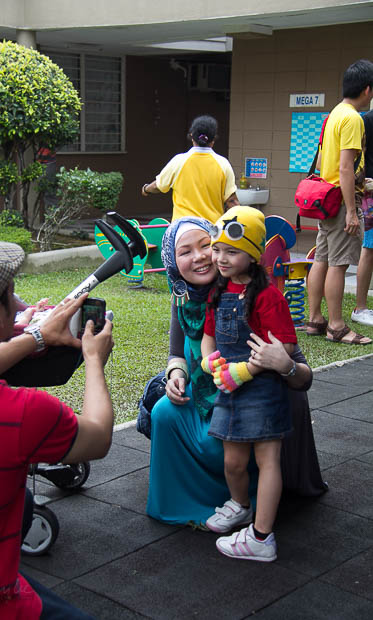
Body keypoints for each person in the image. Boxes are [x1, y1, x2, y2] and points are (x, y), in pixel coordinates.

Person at [0, 240, 114, 619]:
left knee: (26, 505)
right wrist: (94, 359)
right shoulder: (20, 412)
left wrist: (37, 334)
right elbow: (97, 436)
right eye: (12, 297)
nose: (19, 305)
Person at [146, 215, 326, 529]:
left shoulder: (253, 294)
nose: (200, 257)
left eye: (206, 245)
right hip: (209, 389)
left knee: (233, 441)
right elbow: (177, 353)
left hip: (253, 393)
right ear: (173, 263)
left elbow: (302, 375)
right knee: (163, 412)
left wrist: (282, 365)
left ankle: (249, 505)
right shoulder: (182, 298)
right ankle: (182, 501)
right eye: (185, 252)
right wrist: (176, 375)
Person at [200, 207, 296, 562]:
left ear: (253, 255)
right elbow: (208, 338)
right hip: (230, 387)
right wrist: (209, 360)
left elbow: (285, 347)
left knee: (267, 460)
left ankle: (261, 537)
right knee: (233, 462)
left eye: (232, 251)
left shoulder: (268, 296)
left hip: (263, 389)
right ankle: (241, 505)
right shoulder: (218, 291)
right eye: (217, 249)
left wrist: (247, 370)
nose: (221, 258)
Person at [305, 59, 373, 344]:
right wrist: (352, 212)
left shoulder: (334, 113)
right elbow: (346, 168)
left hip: (326, 198)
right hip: (341, 200)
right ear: (367, 89)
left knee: (321, 259)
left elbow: (325, 162)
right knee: (339, 264)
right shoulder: (353, 118)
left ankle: (315, 319)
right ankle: (336, 326)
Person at [141, 114, 238, 222]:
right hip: (212, 227)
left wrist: (146, 189)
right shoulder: (223, 164)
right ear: (213, 139)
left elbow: (157, 186)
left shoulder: (179, 161)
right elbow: (231, 200)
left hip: (183, 225)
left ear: (192, 136)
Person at [351, 108, 373, 325]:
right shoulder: (365, 120)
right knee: (370, 247)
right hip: (371, 192)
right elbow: (355, 158)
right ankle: (360, 307)